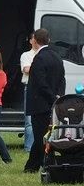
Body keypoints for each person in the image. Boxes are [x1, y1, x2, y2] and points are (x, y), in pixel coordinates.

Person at [24, 28, 66, 173]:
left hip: (40, 103)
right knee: (45, 135)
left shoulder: (39, 58)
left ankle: (39, 165)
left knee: (39, 136)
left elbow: (40, 83)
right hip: (53, 104)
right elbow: (62, 79)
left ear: (35, 40)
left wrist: (51, 97)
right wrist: (59, 96)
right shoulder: (57, 56)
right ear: (48, 39)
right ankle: (33, 165)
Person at [20, 33, 39, 152]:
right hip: (30, 87)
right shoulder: (26, 55)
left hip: (41, 88)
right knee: (29, 120)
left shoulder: (44, 54)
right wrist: (41, 67)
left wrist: (34, 68)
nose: (36, 41)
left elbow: (31, 68)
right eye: (34, 39)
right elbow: (26, 69)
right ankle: (28, 148)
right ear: (30, 41)